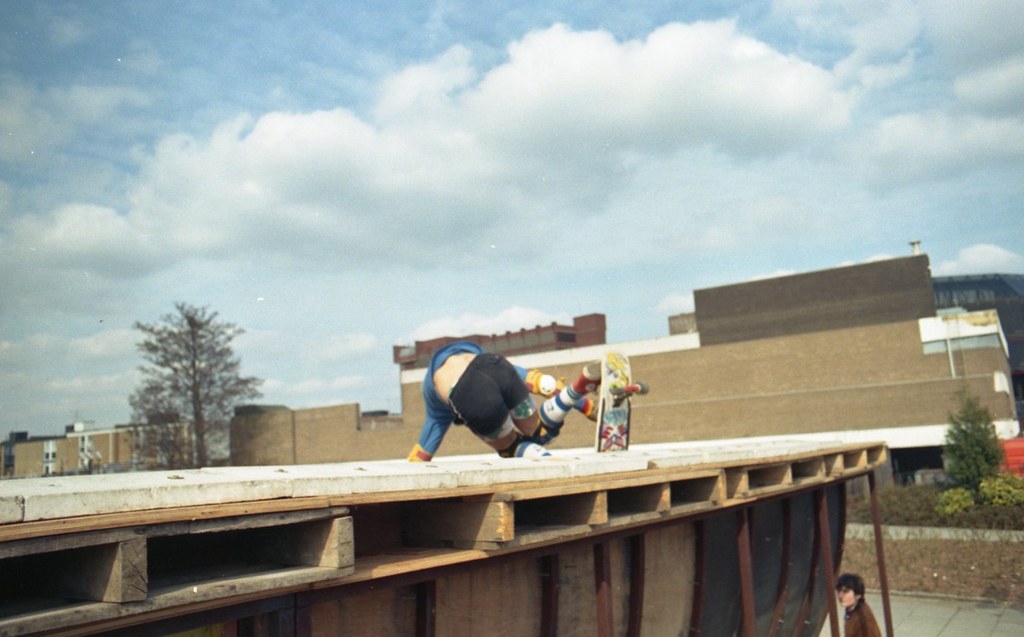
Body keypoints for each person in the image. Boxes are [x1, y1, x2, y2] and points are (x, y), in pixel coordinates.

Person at [407, 341, 600, 461]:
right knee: (538, 431)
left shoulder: (434, 400)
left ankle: (553, 470)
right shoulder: (473, 355)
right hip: (496, 364)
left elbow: (424, 450)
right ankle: (576, 390)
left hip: (468, 393)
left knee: (511, 448)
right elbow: (540, 384)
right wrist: (588, 407)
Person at [835, 572, 882, 637]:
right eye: (839, 590)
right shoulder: (853, 609)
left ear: (858, 595)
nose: (840, 595)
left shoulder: (862, 619)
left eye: (846, 591)